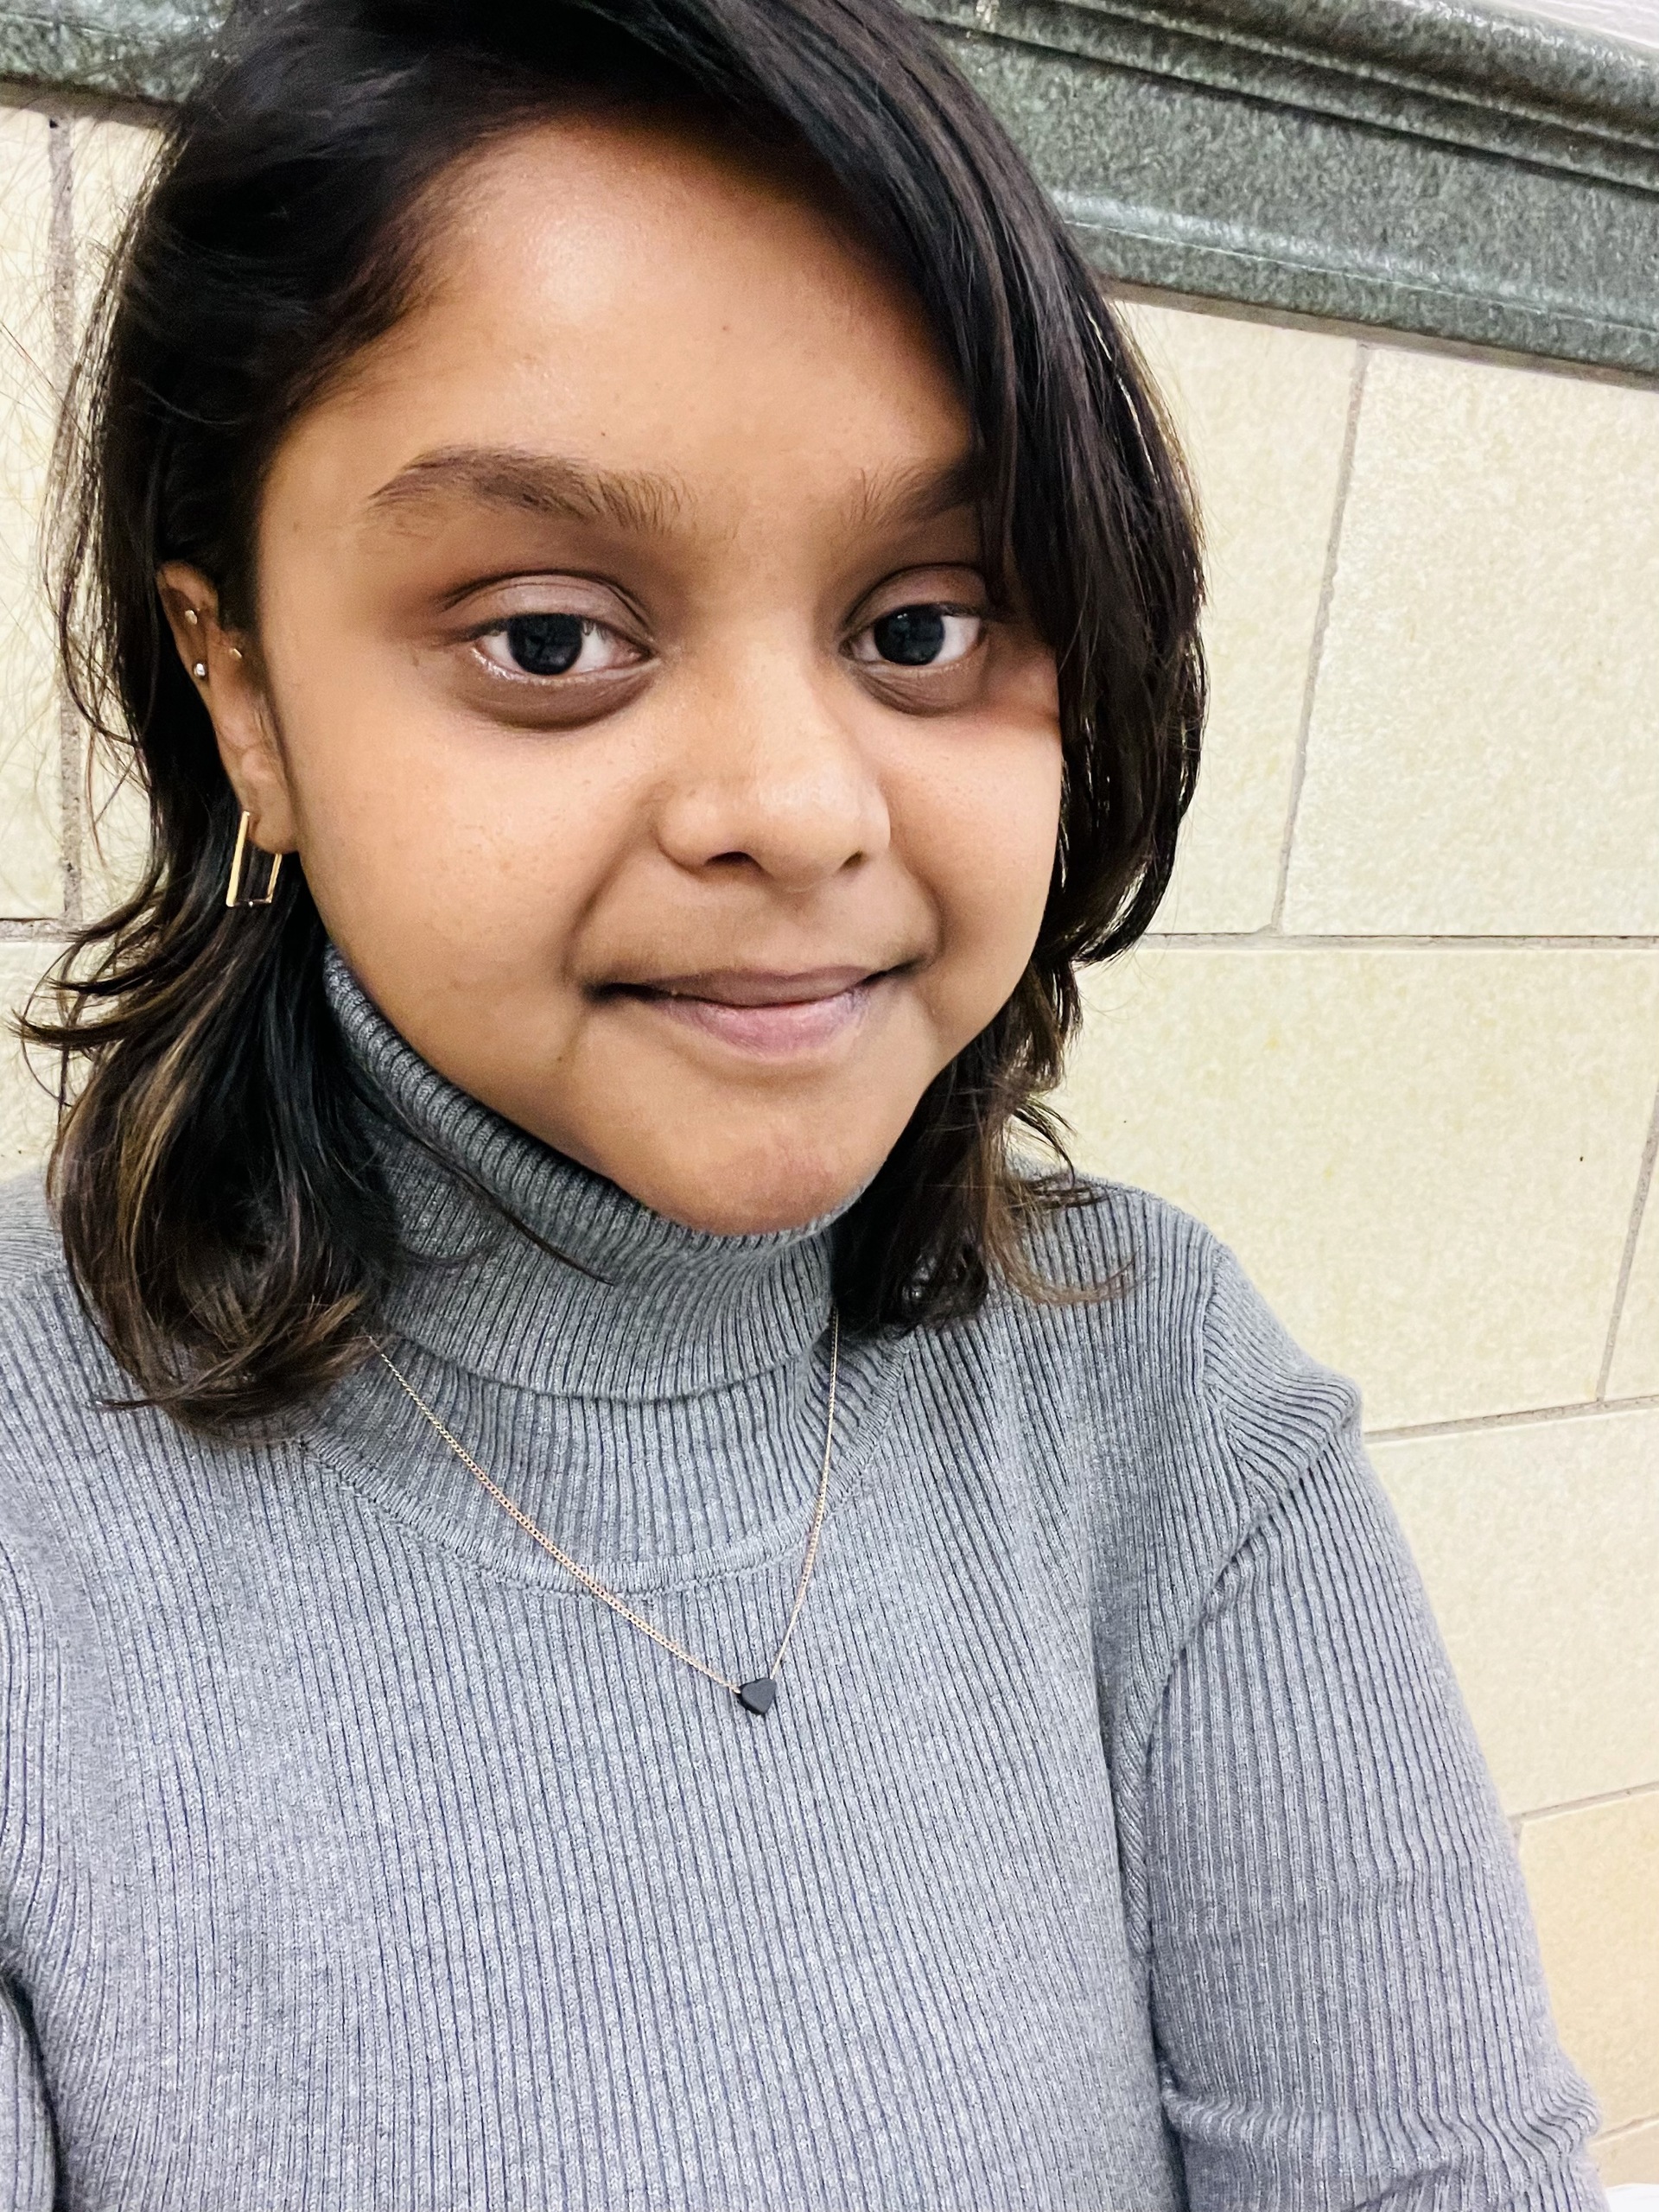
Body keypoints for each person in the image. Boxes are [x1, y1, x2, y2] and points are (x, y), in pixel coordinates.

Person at [0, 1, 1605, 2204]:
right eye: (549, 636)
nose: (795, 804)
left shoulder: (1159, 1409)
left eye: (923, 626)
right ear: (245, 690)